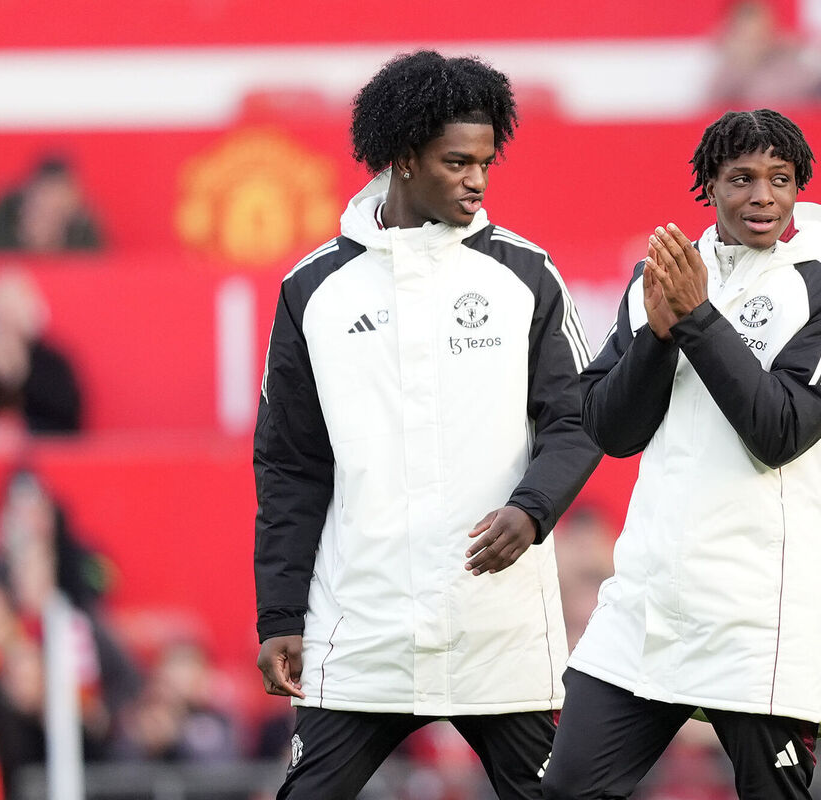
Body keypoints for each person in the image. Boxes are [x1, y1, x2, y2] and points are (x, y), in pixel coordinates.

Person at [252, 50, 601, 800]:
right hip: (361, 630)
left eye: (485, 163)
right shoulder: (313, 290)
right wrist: (279, 613)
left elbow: (577, 419)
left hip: (499, 633)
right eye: (457, 162)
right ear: (404, 158)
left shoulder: (526, 276)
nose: (477, 180)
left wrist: (532, 509)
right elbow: (290, 465)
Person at [543, 109, 821, 800]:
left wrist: (697, 319)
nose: (763, 196)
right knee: (567, 788)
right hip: (649, 605)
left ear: (799, 188)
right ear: (709, 185)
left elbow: (779, 432)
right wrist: (658, 335)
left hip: (760, 618)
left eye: (780, 179)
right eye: (742, 178)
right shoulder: (663, 276)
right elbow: (611, 429)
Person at [0, 270, 83, 433]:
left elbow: (67, 422)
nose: (9, 317)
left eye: (14, 307)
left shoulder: (52, 363)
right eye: (2, 308)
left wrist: (22, 429)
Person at [0, 157, 103, 253]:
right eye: (46, 195)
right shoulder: (1, 224)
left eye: (58, 208)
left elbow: (97, 266)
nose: (51, 205)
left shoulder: (82, 231)